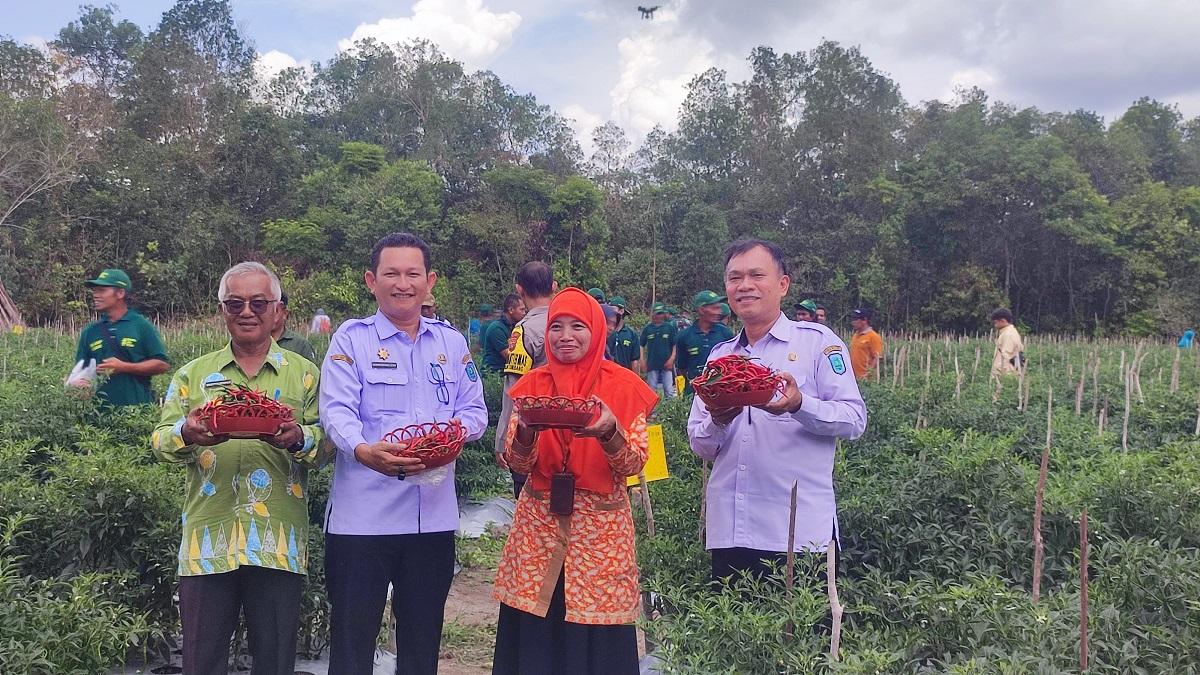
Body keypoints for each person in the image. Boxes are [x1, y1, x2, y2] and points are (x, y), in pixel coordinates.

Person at [319, 233, 488, 675]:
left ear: (429, 281)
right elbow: (335, 411)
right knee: (353, 641)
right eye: (391, 274)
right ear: (371, 281)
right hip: (362, 520)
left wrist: (451, 436)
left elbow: (475, 411)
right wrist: (362, 449)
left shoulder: (450, 345)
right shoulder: (350, 339)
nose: (403, 283)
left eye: (413, 274)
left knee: (421, 639)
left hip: (430, 519)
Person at [150, 262, 327, 675]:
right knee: (202, 658)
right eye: (235, 303)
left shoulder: (306, 377)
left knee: (275, 659)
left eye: (258, 303)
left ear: (278, 311)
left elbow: (328, 443)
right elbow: (160, 439)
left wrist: (298, 437)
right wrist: (188, 432)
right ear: (222, 311)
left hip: (276, 540)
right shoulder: (192, 375)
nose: (247, 312)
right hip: (207, 540)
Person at [492, 288, 658, 674]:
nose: (565, 336)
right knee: (537, 625)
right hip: (538, 529)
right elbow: (518, 462)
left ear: (598, 331)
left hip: (599, 536)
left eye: (577, 326)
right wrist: (528, 431)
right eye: (556, 328)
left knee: (594, 633)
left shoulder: (624, 388)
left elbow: (633, 464)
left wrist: (609, 431)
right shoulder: (532, 386)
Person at [687, 239, 866, 581]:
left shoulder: (817, 343)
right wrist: (718, 419)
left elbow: (853, 420)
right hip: (732, 531)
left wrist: (799, 405)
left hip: (799, 534)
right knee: (733, 631)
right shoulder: (720, 358)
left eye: (757, 275)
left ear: (783, 284)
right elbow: (701, 444)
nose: (744, 285)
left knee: (802, 632)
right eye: (734, 278)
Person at [496, 262, 557, 498]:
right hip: (575, 434)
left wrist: (503, 441)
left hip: (533, 436)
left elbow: (515, 390)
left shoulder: (524, 331)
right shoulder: (576, 326)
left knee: (531, 506)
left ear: (519, 290)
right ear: (553, 286)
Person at [73, 268, 170, 405]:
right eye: (95, 291)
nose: (95, 295)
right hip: (96, 419)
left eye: (102, 290)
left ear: (120, 293)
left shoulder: (140, 325)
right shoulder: (90, 332)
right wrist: (75, 382)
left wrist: (124, 367)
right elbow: (81, 371)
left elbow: (162, 365)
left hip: (136, 413)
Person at [676, 290, 734, 395]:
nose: (719, 312)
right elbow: (681, 368)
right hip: (694, 393)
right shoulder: (684, 336)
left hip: (720, 392)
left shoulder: (725, 334)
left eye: (719, 308)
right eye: (715, 308)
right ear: (702, 310)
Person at [641, 302, 678, 399]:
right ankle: (652, 413)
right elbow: (641, 345)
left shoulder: (669, 328)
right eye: (657, 313)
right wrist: (642, 361)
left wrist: (672, 359)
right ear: (653, 314)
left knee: (669, 390)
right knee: (651, 391)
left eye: (661, 313)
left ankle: (670, 413)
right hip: (652, 364)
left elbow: (675, 345)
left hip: (667, 365)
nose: (659, 316)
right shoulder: (648, 329)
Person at [482, 294, 527, 373]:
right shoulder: (496, 329)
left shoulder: (515, 327)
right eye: (521, 310)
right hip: (494, 375)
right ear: (511, 310)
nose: (524, 313)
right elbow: (510, 357)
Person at [272, 292, 318, 364]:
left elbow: (311, 372)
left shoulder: (300, 345)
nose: (268, 315)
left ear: (285, 314)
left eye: (275, 310)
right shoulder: (254, 342)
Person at [990, 308, 1025, 392]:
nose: (995, 325)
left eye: (995, 322)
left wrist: (998, 376)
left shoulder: (1008, 334)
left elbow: (1005, 357)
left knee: (1000, 398)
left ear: (1003, 321)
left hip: (1006, 375)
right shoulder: (1008, 332)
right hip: (1008, 374)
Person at [606, 296, 640, 372]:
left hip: (624, 377)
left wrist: (635, 379)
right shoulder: (605, 332)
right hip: (607, 376)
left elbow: (634, 360)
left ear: (621, 311)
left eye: (612, 309)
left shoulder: (631, 334)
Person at [848, 308, 884, 380]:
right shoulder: (855, 335)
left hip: (866, 380)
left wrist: (867, 375)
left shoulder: (873, 336)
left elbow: (877, 358)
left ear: (864, 320)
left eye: (856, 319)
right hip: (854, 378)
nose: (853, 322)